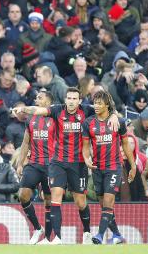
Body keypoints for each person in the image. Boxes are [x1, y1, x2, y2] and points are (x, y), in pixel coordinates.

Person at [15, 87, 121, 244]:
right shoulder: (57, 110)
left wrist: (113, 115)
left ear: (79, 101)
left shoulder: (87, 110)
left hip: (78, 163)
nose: (71, 101)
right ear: (65, 100)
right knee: (55, 198)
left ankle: (86, 232)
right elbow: (37, 110)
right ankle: (57, 237)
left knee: (80, 201)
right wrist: (23, 109)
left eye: (74, 99)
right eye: (69, 98)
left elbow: (104, 108)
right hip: (58, 162)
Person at [82, 90, 136, 245]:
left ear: (107, 105)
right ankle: (117, 234)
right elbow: (85, 147)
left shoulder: (117, 121)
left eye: (99, 103)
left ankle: (99, 235)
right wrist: (86, 159)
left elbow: (125, 145)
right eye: (95, 103)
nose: (96, 106)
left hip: (114, 167)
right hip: (97, 168)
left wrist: (132, 166)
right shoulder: (88, 123)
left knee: (108, 200)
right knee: (104, 205)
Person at [16, 90, 55, 245]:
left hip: (52, 165)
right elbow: (26, 142)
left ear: (49, 102)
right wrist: (20, 163)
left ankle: (47, 238)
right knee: (23, 195)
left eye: (40, 97)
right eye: (36, 97)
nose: (37, 100)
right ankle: (37, 228)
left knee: (49, 201)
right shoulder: (31, 119)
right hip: (34, 163)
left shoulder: (56, 117)